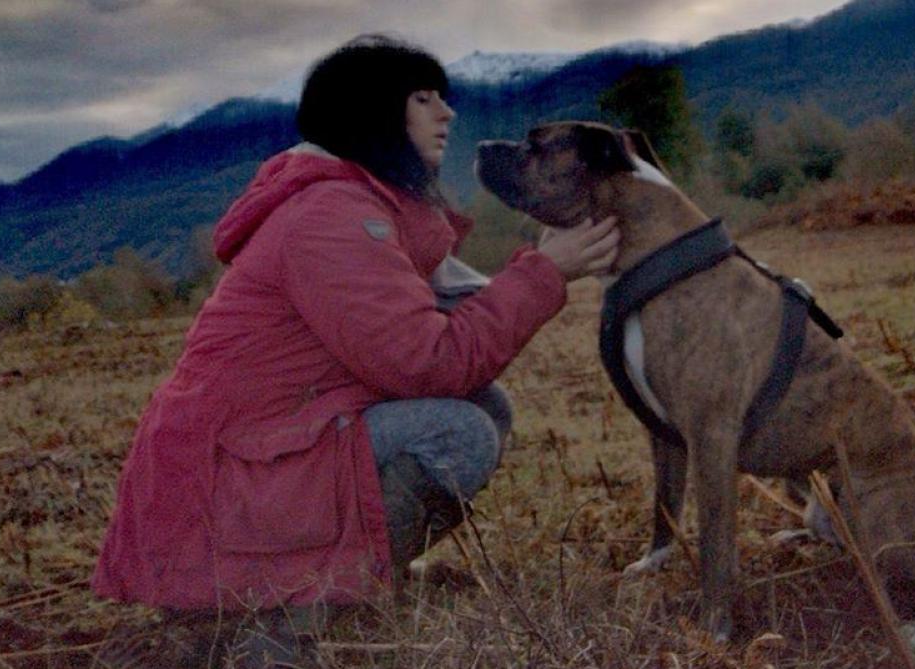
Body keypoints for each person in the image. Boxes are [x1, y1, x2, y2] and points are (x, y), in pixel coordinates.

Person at [91, 34, 619, 667]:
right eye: (423, 98)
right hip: (225, 483)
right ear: (375, 111)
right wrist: (543, 274)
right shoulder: (330, 215)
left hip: (262, 450)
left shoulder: (359, 204)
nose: (446, 113)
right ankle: (283, 620)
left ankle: (341, 578)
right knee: (459, 434)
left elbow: (428, 335)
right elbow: (428, 362)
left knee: (487, 406)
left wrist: (535, 273)